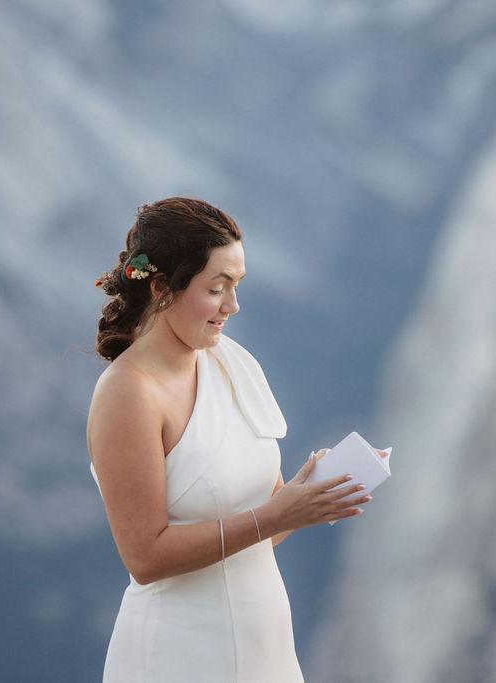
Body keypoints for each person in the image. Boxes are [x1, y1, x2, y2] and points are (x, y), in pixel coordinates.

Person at [87, 197, 371, 682]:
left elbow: (264, 526)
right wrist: (276, 513)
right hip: (180, 654)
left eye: (236, 286)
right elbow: (144, 557)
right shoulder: (128, 393)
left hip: (267, 649)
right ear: (162, 289)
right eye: (217, 288)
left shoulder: (231, 362)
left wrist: (300, 499)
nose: (233, 306)